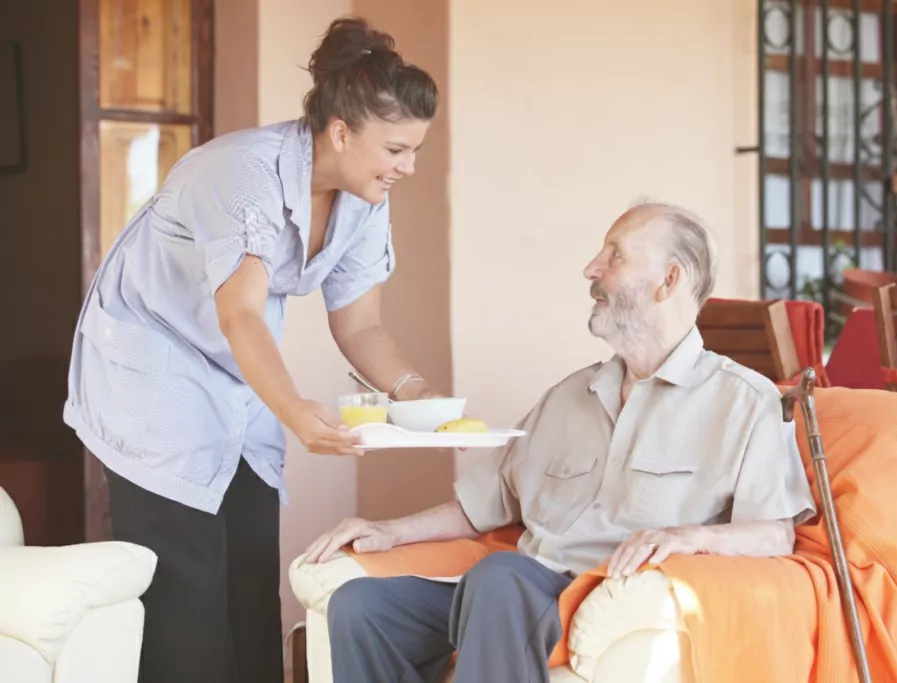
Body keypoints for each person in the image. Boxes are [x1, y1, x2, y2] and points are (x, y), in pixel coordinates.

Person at [63, 16, 444, 683]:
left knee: (249, 577)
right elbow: (239, 313)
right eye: (396, 149)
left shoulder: (363, 196)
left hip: (237, 372)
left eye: (415, 150)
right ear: (341, 131)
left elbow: (359, 328)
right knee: (187, 589)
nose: (408, 167)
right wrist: (296, 410)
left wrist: (418, 396)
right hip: (155, 367)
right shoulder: (242, 173)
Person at [305, 201, 818, 683]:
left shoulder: (742, 401)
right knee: (359, 607)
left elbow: (774, 534)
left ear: (669, 281)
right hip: (512, 593)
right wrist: (388, 531)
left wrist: (690, 537)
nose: (592, 268)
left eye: (615, 255)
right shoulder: (569, 395)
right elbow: (483, 506)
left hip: (601, 591)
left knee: (500, 576)